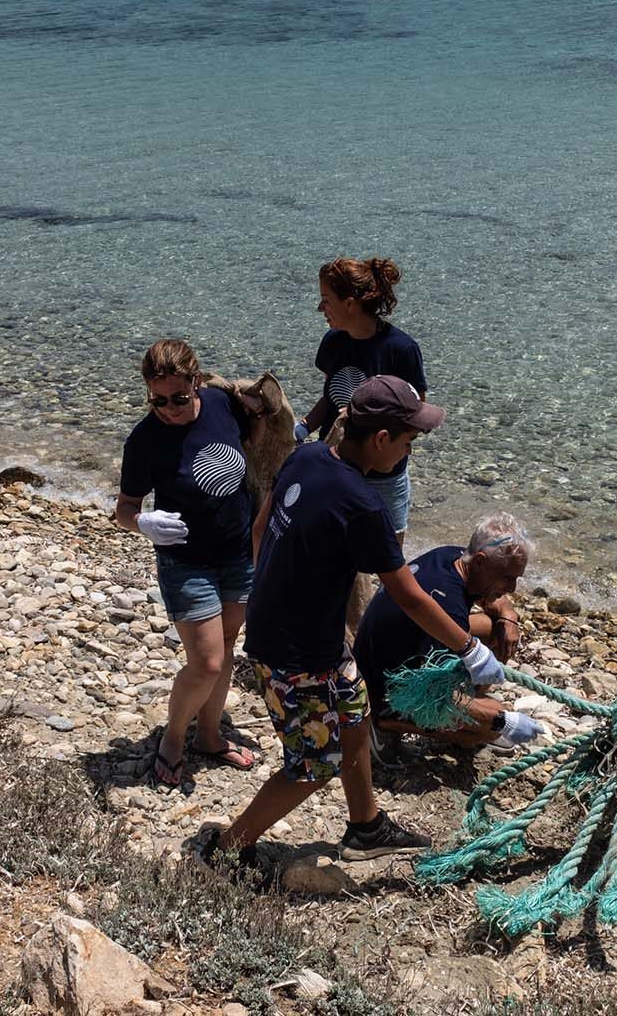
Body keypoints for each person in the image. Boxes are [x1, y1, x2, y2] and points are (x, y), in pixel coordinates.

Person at [203, 376, 508, 877]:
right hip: (296, 655)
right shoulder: (364, 506)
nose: (410, 451)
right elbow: (407, 592)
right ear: (382, 440)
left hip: (300, 633)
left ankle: (366, 826)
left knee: (354, 709)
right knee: (311, 765)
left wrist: (272, 590)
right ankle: (229, 849)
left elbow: (261, 528)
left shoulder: (307, 457)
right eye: (408, 441)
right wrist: (470, 649)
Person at [116, 339, 265, 787]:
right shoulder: (144, 440)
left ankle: (210, 735)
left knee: (226, 645)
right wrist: (143, 522)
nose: (168, 408)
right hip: (186, 562)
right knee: (208, 663)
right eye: (157, 400)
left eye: (178, 398)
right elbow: (124, 509)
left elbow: (258, 438)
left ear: (197, 383)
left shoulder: (222, 404)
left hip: (239, 554)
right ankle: (175, 739)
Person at [353, 513, 545, 754]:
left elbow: (498, 604)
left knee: (493, 626)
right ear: (480, 562)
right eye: (507, 578)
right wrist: (502, 720)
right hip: (387, 687)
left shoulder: (454, 556)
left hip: (393, 648)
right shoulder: (448, 604)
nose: (513, 588)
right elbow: (434, 694)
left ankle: (472, 698)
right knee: (487, 729)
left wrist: (509, 617)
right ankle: (388, 722)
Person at [294, 257, 426, 543]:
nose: (321, 308)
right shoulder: (333, 342)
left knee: (387, 554)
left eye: (326, 300)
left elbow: (417, 415)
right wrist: (303, 426)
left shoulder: (400, 349)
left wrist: (385, 449)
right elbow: (331, 396)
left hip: (385, 476)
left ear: (350, 303)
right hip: (335, 466)